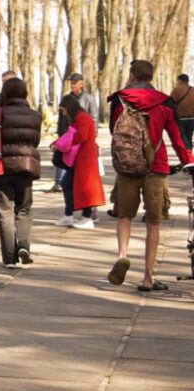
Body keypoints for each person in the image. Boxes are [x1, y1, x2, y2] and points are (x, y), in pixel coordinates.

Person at [105, 59, 194, 292]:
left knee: (124, 216)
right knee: (153, 222)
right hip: (156, 166)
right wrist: (189, 162)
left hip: (127, 166)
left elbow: (114, 130)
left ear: (132, 76)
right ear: (151, 78)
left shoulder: (119, 99)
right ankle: (148, 277)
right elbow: (178, 136)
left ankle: (122, 255)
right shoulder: (165, 101)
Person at [0, 77, 41, 268]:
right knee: (24, 209)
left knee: (5, 212)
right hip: (26, 166)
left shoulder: (1, 113)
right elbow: (35, 141)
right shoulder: (35, 115)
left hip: (3, 167)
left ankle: (9, 259)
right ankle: (23, 245)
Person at [53, 94, 105, 230]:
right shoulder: (80, 117)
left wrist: (63, 143)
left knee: (85, 187)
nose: (64, 114)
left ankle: (87, 217)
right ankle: (69, 215)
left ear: (69, 108)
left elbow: (81, 136)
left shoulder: (83, 118)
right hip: (78, 157)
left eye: (64, 110)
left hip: (85, 158)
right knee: (67, 184)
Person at [169, 72, 194, 149]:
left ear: (180, 81)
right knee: (189, 136)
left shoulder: (176, 90)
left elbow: (170, 104)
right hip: (192, 118)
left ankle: (187, 154)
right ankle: (189, 152)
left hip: (181, 118)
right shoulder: (193, 90)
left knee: (182, 137)